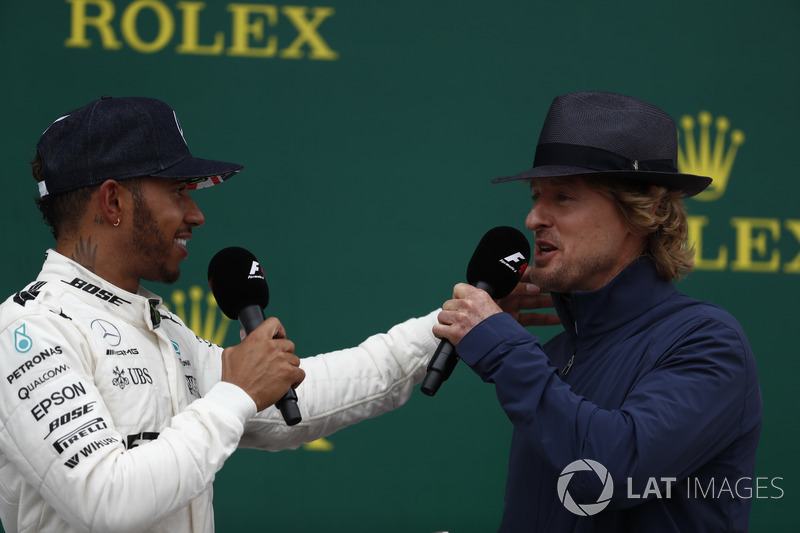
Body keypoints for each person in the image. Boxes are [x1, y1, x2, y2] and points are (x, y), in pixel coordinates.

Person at [0, 96, 440, 532]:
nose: (197, 215)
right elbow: (107, 501)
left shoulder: (162, 329)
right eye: (178, 192)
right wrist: (236, 395)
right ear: (113, 202)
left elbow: (304, 397)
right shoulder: (29, 331)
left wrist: (455, 324)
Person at [433, 91, 762, 532]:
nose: (533, 218)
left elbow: (604, 474)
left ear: (642, 209)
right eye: (535, 196)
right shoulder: (552, 355)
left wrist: (503, 350)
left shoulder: (710, 341)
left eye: (564, 197)